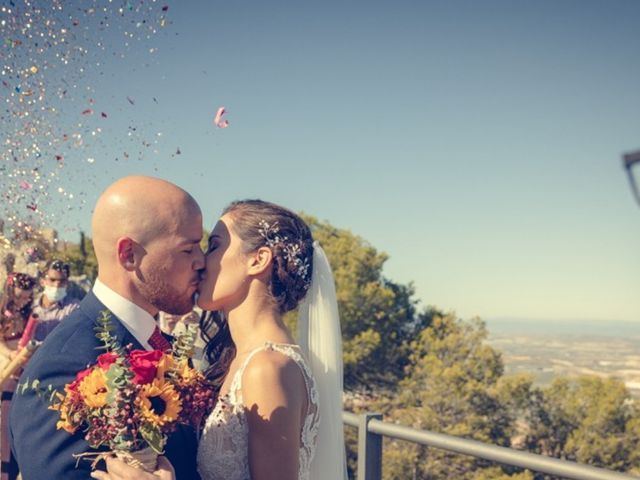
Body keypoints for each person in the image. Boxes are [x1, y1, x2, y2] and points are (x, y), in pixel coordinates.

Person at [93, 199, 346, 480]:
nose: (200, 261)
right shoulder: (241, 359)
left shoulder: (268, 368)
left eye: (214, 246)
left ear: (258, 260)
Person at [9, 176, 205, 480]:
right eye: (188, 249)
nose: (201, 261)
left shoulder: (162, 342)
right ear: (129, 255)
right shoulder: (64, 369)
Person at [0, 272, 36, 480]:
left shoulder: (30, 314)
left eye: (27, 298)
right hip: (5, 363)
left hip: (21, 367)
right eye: (19, 296)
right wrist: (9, 354)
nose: (23, 301)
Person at [30, 259, 80, 341]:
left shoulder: (74, 308)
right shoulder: (30, 304)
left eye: (62, 281)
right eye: (52, 280)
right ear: (42, 282)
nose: (57, 284)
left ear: (67, 283)